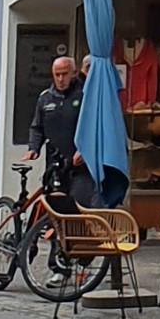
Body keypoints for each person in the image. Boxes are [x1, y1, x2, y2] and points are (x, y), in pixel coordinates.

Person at [27, 51, 94, 209]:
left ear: (74, 73)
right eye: (57, 75)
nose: (60, 79)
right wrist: (33, 148)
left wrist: (85, 149)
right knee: (56, 208)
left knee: (78, 207)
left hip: (81, 165)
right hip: (55, 165)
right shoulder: (46, 98)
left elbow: (94, 127)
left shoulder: (85, 95)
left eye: (64, 74)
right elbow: (37, 127)